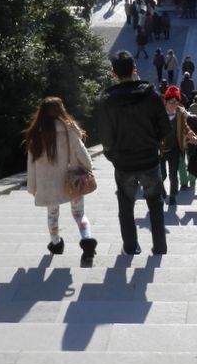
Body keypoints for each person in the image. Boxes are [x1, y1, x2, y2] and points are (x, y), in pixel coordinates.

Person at [97, 50, 170, 255]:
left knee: (126, 204)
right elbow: (166, 128)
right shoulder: (151, 95)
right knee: (155, 202)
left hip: (123, 162)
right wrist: (154, 142)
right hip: (149, 159)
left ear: (114, 73)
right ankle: (160, 246)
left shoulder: (107, 100)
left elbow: (105, 136)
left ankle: (130, 246)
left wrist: (113, 156)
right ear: (134, 69)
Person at [24, 97, 96, 264]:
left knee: (52, 214)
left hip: (48, 183)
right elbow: (82, 152)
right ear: (61, 110)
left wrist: (32, 186)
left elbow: (31, 163)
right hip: (73, 179)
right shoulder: (69, 129)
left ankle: (56, 243)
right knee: (79, 214)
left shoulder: (37, 133)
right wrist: (88, 168)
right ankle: (87, 241)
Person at [160, 86, 197, 205]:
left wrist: (190, 133)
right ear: (165, 102)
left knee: (173, 174)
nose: (173, 105)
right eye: (171, 102)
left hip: (175, 148)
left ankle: (172, 196)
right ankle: (161, 188)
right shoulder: (159, 114)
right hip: (161, 149)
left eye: (176, 102)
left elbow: (185, 126)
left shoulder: (179, 113)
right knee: (162, 174)